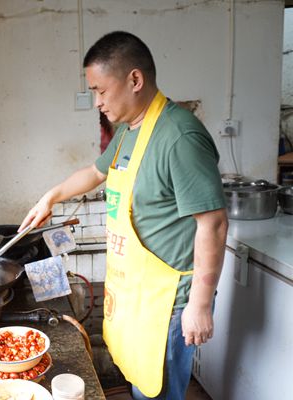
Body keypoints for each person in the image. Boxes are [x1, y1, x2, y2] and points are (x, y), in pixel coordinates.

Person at [19, 31, 228, 400]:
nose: (96, 101)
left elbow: (212, 223)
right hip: (136, 295)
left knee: (158, 391)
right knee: (139, 385)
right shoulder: (129, 131)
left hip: (167, 303)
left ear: (135, 79)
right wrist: (50, 197)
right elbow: (96, 172)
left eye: (100, 90)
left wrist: (199, 304)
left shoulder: (179, 136)